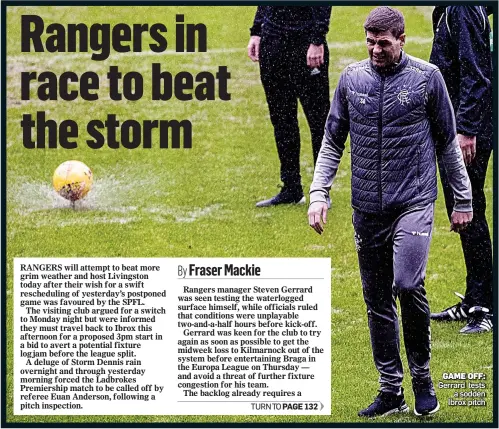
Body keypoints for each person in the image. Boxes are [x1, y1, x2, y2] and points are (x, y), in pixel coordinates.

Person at [308, 7, 472, 418]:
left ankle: (422, 378)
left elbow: (447, 144)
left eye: (384, 42)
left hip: (414, 201)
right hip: (367, 207)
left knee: (406, 281)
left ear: (401, 39)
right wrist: (318, 193)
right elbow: (331, 142)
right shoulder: (351, 80)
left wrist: (462, 199)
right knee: (376, 297)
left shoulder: (426, 79)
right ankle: (390, 390)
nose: (376, 49)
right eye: (370, 41)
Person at [429, 6, 493, 334]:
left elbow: (476, 72)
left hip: (467, 129)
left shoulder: (462, 7)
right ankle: (475, 299)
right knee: (467, 208)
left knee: (469, 209)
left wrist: (466, 128)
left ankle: (484, 307)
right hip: (462, 125)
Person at [247, 6, 332, 207]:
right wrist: (257, 31)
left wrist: (317, 39)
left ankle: (322, 191)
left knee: (318, 120)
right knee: (281, 119)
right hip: (272, 43)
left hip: (305, 44)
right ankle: (291, 187)